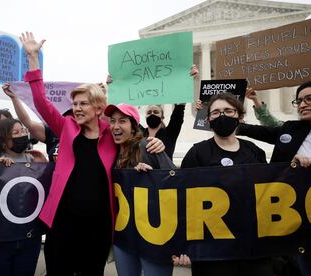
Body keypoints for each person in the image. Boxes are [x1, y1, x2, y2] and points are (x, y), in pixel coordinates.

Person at [20, 31, 164, 275]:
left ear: (98, 108)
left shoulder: (113, 133)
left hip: (99, 224)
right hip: (63, 221)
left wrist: (156, 144)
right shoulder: (65, 127)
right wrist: (33, 59)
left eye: (82, 104)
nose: (76, 109)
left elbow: (135, 144)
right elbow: (41, 102)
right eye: (74, 104)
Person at [181, 92, 273, 276]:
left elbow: (268, 194)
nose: (222, 116)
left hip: (252, 249)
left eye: (228, 111)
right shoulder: (197, 153)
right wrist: (185, 246)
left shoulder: (255, 151)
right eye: (215, 112)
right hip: (213, 251)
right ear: (208, 120)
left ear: (240, 116)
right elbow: (182, 199)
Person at [237, 81, 311, 276]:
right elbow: (266, 128)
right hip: (291, 217)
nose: (303, 104)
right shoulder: (291, 129)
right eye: (299, 101)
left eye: (309, 99)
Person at [104, 103, 175, 276]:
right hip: (124, 236)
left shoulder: (148, 146)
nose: (116, 126)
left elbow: (175, 183)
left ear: (134, 126)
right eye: (112, 121)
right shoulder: (111, 151)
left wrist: (152, 176)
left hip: (154, 237)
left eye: (122, 121)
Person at [0, 118, 45, 276]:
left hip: (26, 235)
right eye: (16, 133)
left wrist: (41, 165)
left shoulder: (31, 158)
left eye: (23, 131)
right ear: (3, 140)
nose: (22, 135)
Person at [142, 65, 199, 159]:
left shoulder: (170, 133)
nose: (152, 114)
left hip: (165, 172)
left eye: (156, 112)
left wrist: (188, 81)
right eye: (149, 112)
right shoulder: (139, 133)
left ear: (162, 117)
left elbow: (179, 109)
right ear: (145, 116)